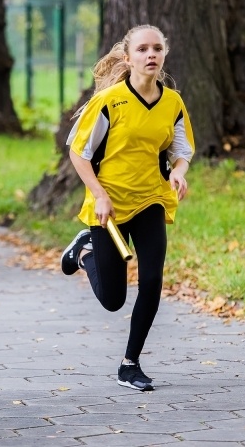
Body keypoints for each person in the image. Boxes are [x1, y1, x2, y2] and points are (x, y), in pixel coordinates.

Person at [61, 24, 195, 391]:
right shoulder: (109, 101)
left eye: (156, 49)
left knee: (152, 282)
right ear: (128, 57)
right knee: (113, 300)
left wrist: (179, 173)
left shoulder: (173, 102)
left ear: (164, 54)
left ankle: (130, 364)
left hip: (151, 199)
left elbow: (181, 152)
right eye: (142, 49)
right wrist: (99, 194)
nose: (150, 55)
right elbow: (78, 153)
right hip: (110, 206)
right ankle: (85, 251)